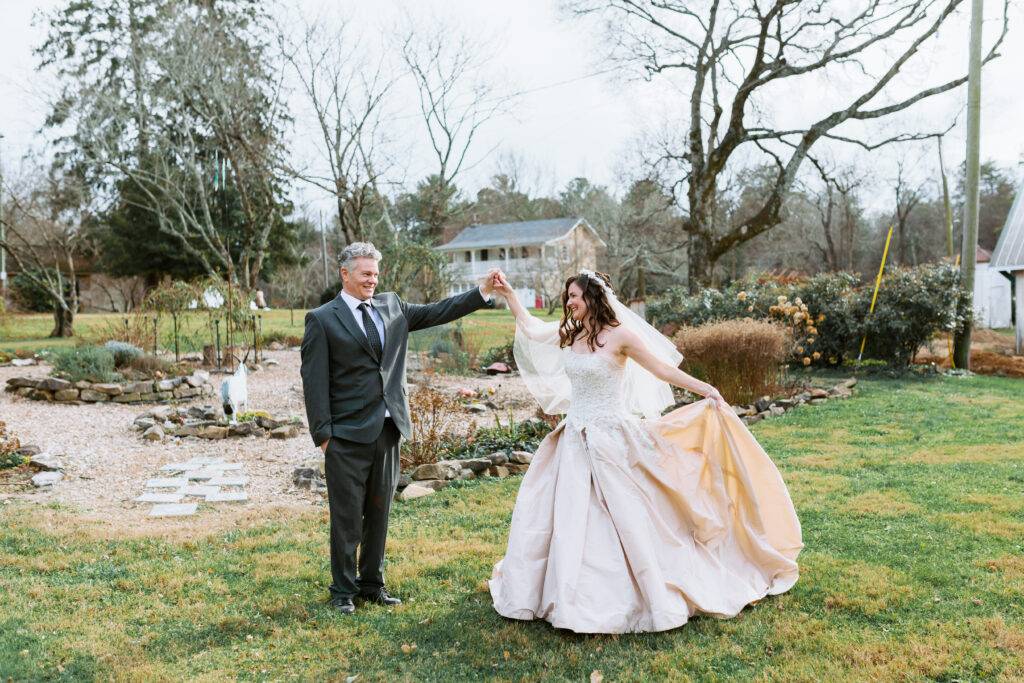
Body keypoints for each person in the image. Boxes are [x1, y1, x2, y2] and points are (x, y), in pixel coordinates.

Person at [487, 269, 802, 634]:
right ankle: (568, 591)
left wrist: (706, 388)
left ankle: (632, 590)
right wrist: (510, 295)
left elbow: (662, 370)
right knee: (570, 515)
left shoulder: (621, 336)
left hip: (612, 439)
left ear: (594, 297)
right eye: (568, 296)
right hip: (574, 437)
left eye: (575, 295)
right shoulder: (572, 333)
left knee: (629, 515)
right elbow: (531, 329)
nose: (569, 301)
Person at [300, 241, 499, 615]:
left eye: (375, 273)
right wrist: (324, 437)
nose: (372, 280)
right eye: (365, 273)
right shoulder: (322, 319)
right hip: (344, 435)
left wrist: (481, 292)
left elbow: (439, 310)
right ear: (345, 274)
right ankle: (342, 591)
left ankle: (372, 585)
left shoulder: (393, 306)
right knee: (346, 518)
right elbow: (314, 382)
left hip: (389, 429)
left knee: (380, 511)